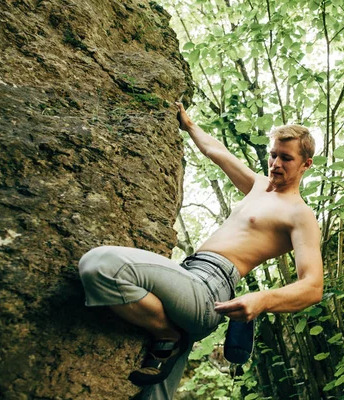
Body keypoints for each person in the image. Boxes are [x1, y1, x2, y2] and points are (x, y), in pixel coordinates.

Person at [78, 102, 324, 399]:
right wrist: (190, 124)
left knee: (100, 264)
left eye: (286, 158)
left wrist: (262, 299)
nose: (275, 164)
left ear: (306, 164)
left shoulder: (301, 214)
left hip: (212, 291)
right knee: (151, 397)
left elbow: (312, 287)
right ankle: (174, 339)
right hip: (187, 277)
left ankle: (168, 334)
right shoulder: (259, 185)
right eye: (273, 155)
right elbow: (217, 153)